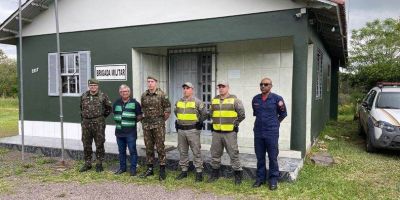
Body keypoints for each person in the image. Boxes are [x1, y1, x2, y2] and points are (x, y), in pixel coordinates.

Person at [251, 77, 287, 190]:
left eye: (266, 84)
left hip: (271, 132)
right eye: (261, 84)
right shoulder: (255, 99)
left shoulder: (277, 99)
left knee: (272, 157)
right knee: (260, 157)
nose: (263, 86)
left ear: (271, 86)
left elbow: (283, 114)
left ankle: (273, 180)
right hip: (258, 132)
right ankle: (260, 178)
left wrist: (276, 123)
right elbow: (256, 114)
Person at [208, 80, 245, 185]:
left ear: (228, 87)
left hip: (229, 133)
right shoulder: (214, 100)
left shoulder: (235, 100)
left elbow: (242, 115)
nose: (221, 88)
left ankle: (238, 174)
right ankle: (215, 173)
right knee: (215, 153)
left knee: (233, 153)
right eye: (219, 87)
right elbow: (211, 113)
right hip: (216, 133)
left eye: (223, 86)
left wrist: (235, 124)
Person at [174, 82, 207, 182]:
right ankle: (184, 170)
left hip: (193, 130)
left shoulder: (197, 102)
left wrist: (198, 122)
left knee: (196, 151)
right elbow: (176, 112)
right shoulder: (178, 101)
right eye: (184, 88)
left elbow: (204, 114)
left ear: (192, 89)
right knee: (182, 151)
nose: (185, 90)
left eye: (187, 88)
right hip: (181, 130)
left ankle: (199, 172)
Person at [140, 76, 171, 180]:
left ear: (156, 83)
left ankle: (162, 169)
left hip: (158, 125)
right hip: (147, 126)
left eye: (152, 81)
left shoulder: (162, 94)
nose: (150, 84)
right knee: (148, 148)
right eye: (148, 82)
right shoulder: (144, 95)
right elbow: (142, 109)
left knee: (160, 147)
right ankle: (150, 169)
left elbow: (167, 110)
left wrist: (161, 121)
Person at [79, 78, 112, 172]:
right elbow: (81, 108)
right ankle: (87, 163)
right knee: (86, 144)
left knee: (99, 143)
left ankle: (99, 163)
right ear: (89, 86)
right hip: (86, 124)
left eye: (95, 85)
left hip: (98, 124)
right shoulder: (83, 96)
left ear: (98, 86)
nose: (93, 87)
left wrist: (101, 117)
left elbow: (108, 109)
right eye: (91, 85)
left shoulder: (103, 96)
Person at [112, 84, 143, 176]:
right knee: (121, 152)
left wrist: (130, 122)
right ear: (119, 93)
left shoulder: (135, 103)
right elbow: (114, 114)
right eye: (122, 92)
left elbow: (139, 116)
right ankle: (122, 168)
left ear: (129, 92)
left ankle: (133, 169)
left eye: (126, 91)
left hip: (130, 133)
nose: (124, 93)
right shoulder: (116, 103)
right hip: (119, 132)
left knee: (132, 151)